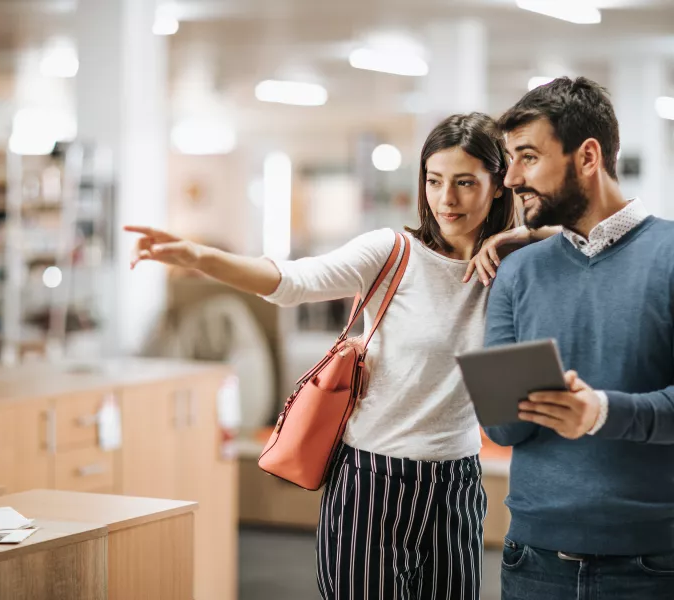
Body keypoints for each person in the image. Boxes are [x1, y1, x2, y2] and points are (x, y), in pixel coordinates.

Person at [126, 113, 531, 599]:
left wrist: (524, 238)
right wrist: (199, 257)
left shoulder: (513, 270)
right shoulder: (393, 252)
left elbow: (586, 245)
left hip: (457, 484)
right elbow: (293, 281)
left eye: (465, 183)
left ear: (499, 187)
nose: (446, 199)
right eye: (434, 181)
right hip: (374, 482)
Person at [483, 76, 674, 599]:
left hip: (652, 566)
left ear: (587, 157)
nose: (512, 178)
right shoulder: (517, 273)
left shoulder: (669, 255)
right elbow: (502, 430)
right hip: (531, 562)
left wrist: (601, 412)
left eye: (528, 157)